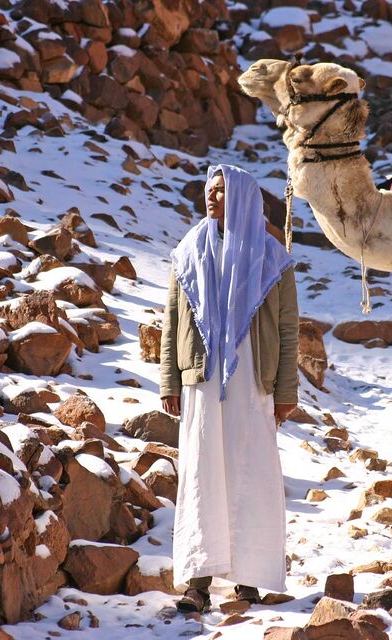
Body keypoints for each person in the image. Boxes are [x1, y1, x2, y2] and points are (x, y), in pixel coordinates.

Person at [160, 164, 299, 613]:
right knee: (203, 472)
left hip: (252, 382)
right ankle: (198, 582)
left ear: (240, 197)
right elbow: (172, 325)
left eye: (220, 191)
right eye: (209, 190)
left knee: (250, 472)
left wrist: (284, 390)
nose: (212, 198)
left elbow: (287, 328)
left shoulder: (272, 256)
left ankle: (249, 579)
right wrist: (170, 381)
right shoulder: (188, 251)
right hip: (200, 381)